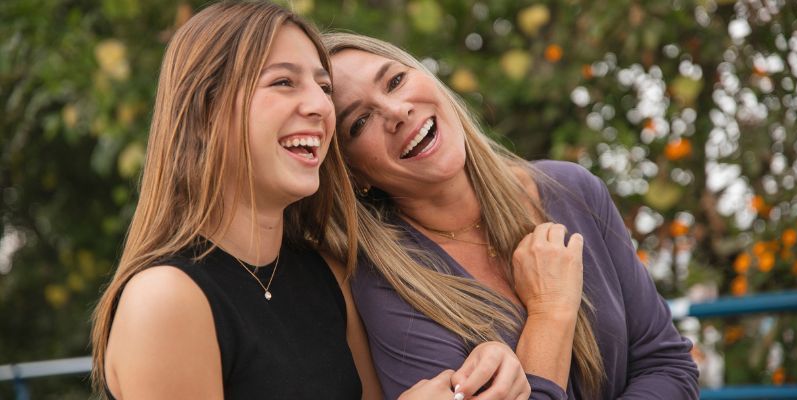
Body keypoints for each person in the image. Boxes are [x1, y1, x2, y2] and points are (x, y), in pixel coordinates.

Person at [90, 2, 530, 399]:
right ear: (205, 113)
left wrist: (483, 367)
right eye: (284, 82)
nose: (320, 106)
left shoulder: (330, 275)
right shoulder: (166, 300)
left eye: (322, 87)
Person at [323, 32, 701, 399]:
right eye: (359, 122)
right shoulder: (387, 284)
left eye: (395, 80)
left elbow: (667, 364)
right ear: (354, 175)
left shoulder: (573, 189)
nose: (397, 111)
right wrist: (550, 312)